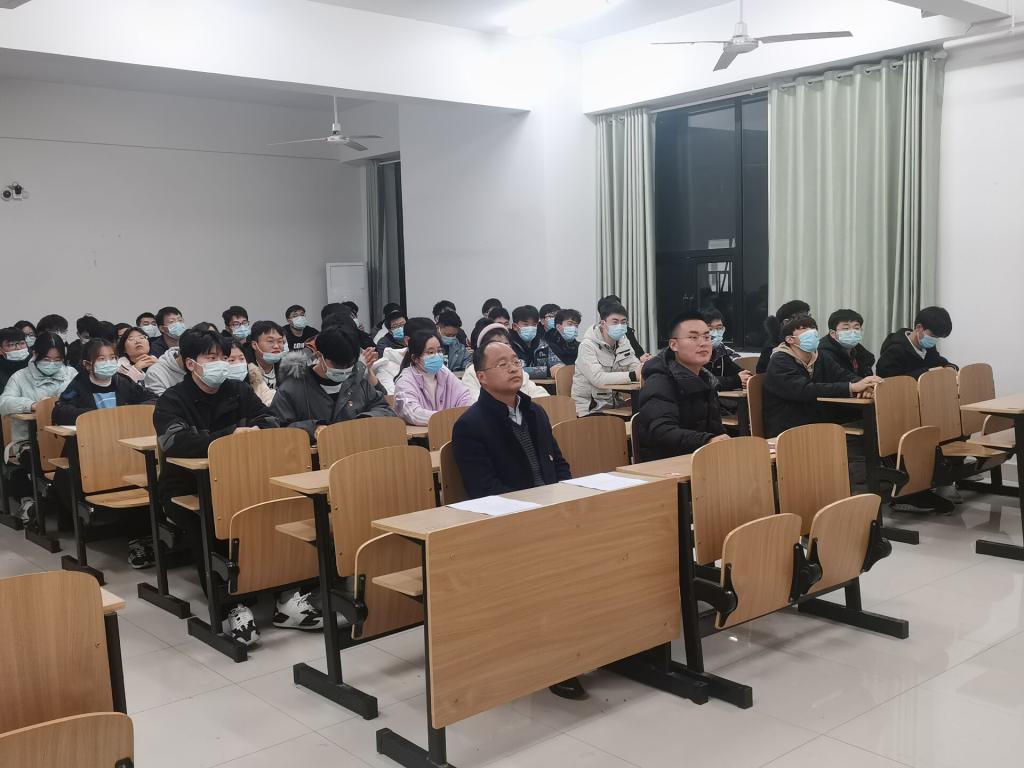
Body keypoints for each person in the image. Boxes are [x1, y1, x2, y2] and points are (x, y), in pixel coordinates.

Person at [154, 330, 317, 645]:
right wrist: (229, 437)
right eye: (211, 358)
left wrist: (256, 431)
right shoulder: (173, 400)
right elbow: (175, 441)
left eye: (223, 357)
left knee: (281, 509)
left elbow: (269, 419)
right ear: (190, 364)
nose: (220, 363)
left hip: (245, 479)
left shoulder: (237, 389)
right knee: (213, 523)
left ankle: (287, 597)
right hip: (188, 487)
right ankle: (232, 605)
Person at [450, 338, 581, 701]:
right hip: (508, 524)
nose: (513, 368)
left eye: (515, 361)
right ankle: (557, 661)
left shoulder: (536, 412)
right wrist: (534, 513)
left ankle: (601, 642)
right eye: (502, 364)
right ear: (481, 376)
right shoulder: (470, 426)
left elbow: (559, 464)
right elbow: (485, 491)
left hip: (551, 513)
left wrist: (568, 500)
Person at [53, 337, 158, 567]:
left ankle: (144, 535)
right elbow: (60, 412)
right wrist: (96, 418)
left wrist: (131, 413)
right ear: (88, 364)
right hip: (92, 452)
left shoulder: (123, 382)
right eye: (101, 359)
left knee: (146, 475)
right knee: (68, 475)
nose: (108, 363)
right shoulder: (78, 386)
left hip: (125, 450)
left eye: (112, 358)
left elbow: (151, 399)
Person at [0, 333, 76, 523]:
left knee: (76, 460)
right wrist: (32, 405)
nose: (52, 364)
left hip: (67, 437)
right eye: (47, 359)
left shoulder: (71, 373)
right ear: (35, 354)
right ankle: (47, 502)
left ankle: (65, 507)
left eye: (57, 360)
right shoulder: (20, 377)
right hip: (30, 441)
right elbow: (3, 403)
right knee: (37, 460)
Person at [763, 316, 881, 438]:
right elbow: (804, 390)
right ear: (790, 339)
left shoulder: (820, 356)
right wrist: (851, 387)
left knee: (871, 431)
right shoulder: (780, 361)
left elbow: (841, 375)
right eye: (804, 328)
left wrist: (864, 385)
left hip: (818, 422)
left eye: (813, 327)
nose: (812, 331)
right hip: (788, 428)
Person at [272, 325, 394, 439]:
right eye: (337, 365)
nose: (344, 370)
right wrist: (312, 428)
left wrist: (366, 419)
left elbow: (385, 409)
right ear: (319, 356)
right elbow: (277, 428)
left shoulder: (357, 380)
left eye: (350, 364)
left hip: (358, 449)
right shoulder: (292, 388)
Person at [635, 312, 728, 461]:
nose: (703, 343)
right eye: (693, 337)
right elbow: (661, 431)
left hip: (700, 458)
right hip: (666, 464)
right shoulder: (659, 381)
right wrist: (707, 441)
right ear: (674, 345)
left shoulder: (705, 378)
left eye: (706, 337)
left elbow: (715, 429)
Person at [572, 302, 642, 416]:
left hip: (616, 405)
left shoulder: (623, 342)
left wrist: (644, 370)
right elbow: (598, 379)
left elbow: (635, 365)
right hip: (591, 409)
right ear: (603, 324)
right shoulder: (587, 345)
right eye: (615, 322)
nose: (620, 326)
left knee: (644, 415)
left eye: (623, 322)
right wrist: (633, 375)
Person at [393, 330, 472, 426]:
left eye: (439, 351)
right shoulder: (405, 381)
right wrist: (448, 418)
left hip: (449, 429)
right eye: (430, 352)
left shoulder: (445, 374)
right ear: (415, 358)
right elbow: (413, 413)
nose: (437, 355)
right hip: (422, 434)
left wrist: (460, 416)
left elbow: (465, 397)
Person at [461, 320, 551, 402]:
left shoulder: (515, 366)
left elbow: (537, 392)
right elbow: (473, 401)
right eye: (496, 344)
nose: (502, 348)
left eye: (506, 344)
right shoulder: (472, 371)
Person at [876, 306, 956, 379]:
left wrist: (951, 367)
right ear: (919, 327)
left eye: (937, 338)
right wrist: (927, 372)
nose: (934, 340)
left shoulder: (928, 348)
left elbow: (940, 362)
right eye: (932, 336)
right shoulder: (894, 350)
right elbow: (889, 380)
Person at [372, 317, 436, 395]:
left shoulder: (436, 363)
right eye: (425, 341)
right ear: (407, 341)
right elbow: (392, 399)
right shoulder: (386, 367)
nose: (431, 345)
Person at [144, 322, 203, 396]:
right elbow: (162, 401)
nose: (212, 362)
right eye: (210, 357)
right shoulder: (156, 373)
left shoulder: (210, 369)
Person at [509, 305, 563, 380]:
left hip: (542, 385)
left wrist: (558, 368)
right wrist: (546, 371)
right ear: (515, 326)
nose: (530, 328)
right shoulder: (508, 345)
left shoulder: (544, 342)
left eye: (534, 324)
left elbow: (555, 366)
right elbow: (512, 371)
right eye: (526, 324)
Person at [756, 300, 810, 373]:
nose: (808, 324)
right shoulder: (774, 350)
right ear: (786, 322)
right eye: (802, 320)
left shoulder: (805, 344)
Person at [703, 309, 750, 393]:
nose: (715, 333)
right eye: (710, 329)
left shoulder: (720, 349)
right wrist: (737, 380)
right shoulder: (693, 353)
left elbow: (735, 370)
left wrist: (746, 377)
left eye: (719, 328)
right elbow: (703, 381)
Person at [818, 309, 876, 377]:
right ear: (833, 333)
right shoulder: (824, 354)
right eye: (846, 328)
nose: (852, 332)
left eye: (856, 328)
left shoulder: (859, 352)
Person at [248, 320, 286, 400]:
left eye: (280, 341)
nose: (276, 346)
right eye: (270, 341)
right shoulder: (246, 372)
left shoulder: (288, 368)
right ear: (254, 345)